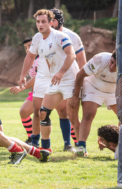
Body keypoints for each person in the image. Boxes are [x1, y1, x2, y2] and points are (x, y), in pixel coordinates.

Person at [18, 9, 78, 161]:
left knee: (71, 114)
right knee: (43, 112)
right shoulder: (37, 38)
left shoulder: (60, 36)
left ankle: (79, 145)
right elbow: (30, 56)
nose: (40, 24)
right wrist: (22, 76)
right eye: (38, 22)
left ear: (51, 22)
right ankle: (45, 147)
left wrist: (61, 72)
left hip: (68, 79)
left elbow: (72, 54)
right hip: (53, 80)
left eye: (44, 21)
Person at [50, 8, 86, 150]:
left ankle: (80, 144)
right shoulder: (45, 36)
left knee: (72, 113)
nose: (50, 23)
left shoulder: (72, 36)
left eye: (52, 20)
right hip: (56, 79)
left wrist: (83, 80)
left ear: (58, 21)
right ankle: (67, 144)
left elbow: (82, 60)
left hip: (72, 78)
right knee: (61, 111)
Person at [69, 51, 117, 157]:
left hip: (114, 90)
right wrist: (75, 96)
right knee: (88, 115)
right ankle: (81, 148)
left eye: (115, 65)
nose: (111, 66)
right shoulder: (100, 59)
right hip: (93, 87)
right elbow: (80, 74)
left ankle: (119, 146)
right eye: (112, 62)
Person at [10, 38, 38, 144]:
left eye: (30, 46)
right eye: (26, 47)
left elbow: (38, 77)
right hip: (36, 92)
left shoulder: (43, 58)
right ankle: (32, 139)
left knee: (66, 115)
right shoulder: (30, 59)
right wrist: (24, 78)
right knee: (24, 112)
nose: (28, 49)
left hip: (49, 92)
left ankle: (75, 142)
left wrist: (21, 87)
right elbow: (30, 73)